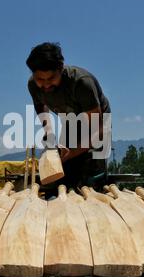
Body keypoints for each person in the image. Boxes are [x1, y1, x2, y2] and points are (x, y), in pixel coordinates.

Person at [26, 42, 111, 189]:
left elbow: (98, 133)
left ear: (61, 68)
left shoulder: (81, 83)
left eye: (51, 79)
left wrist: (71, 153)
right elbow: (41, 107)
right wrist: (49, 134)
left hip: (95, 126)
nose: (46, 85)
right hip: (70, 122)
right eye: (40, 79)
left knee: (89, 178)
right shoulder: (33, 85)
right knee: (62, 176)